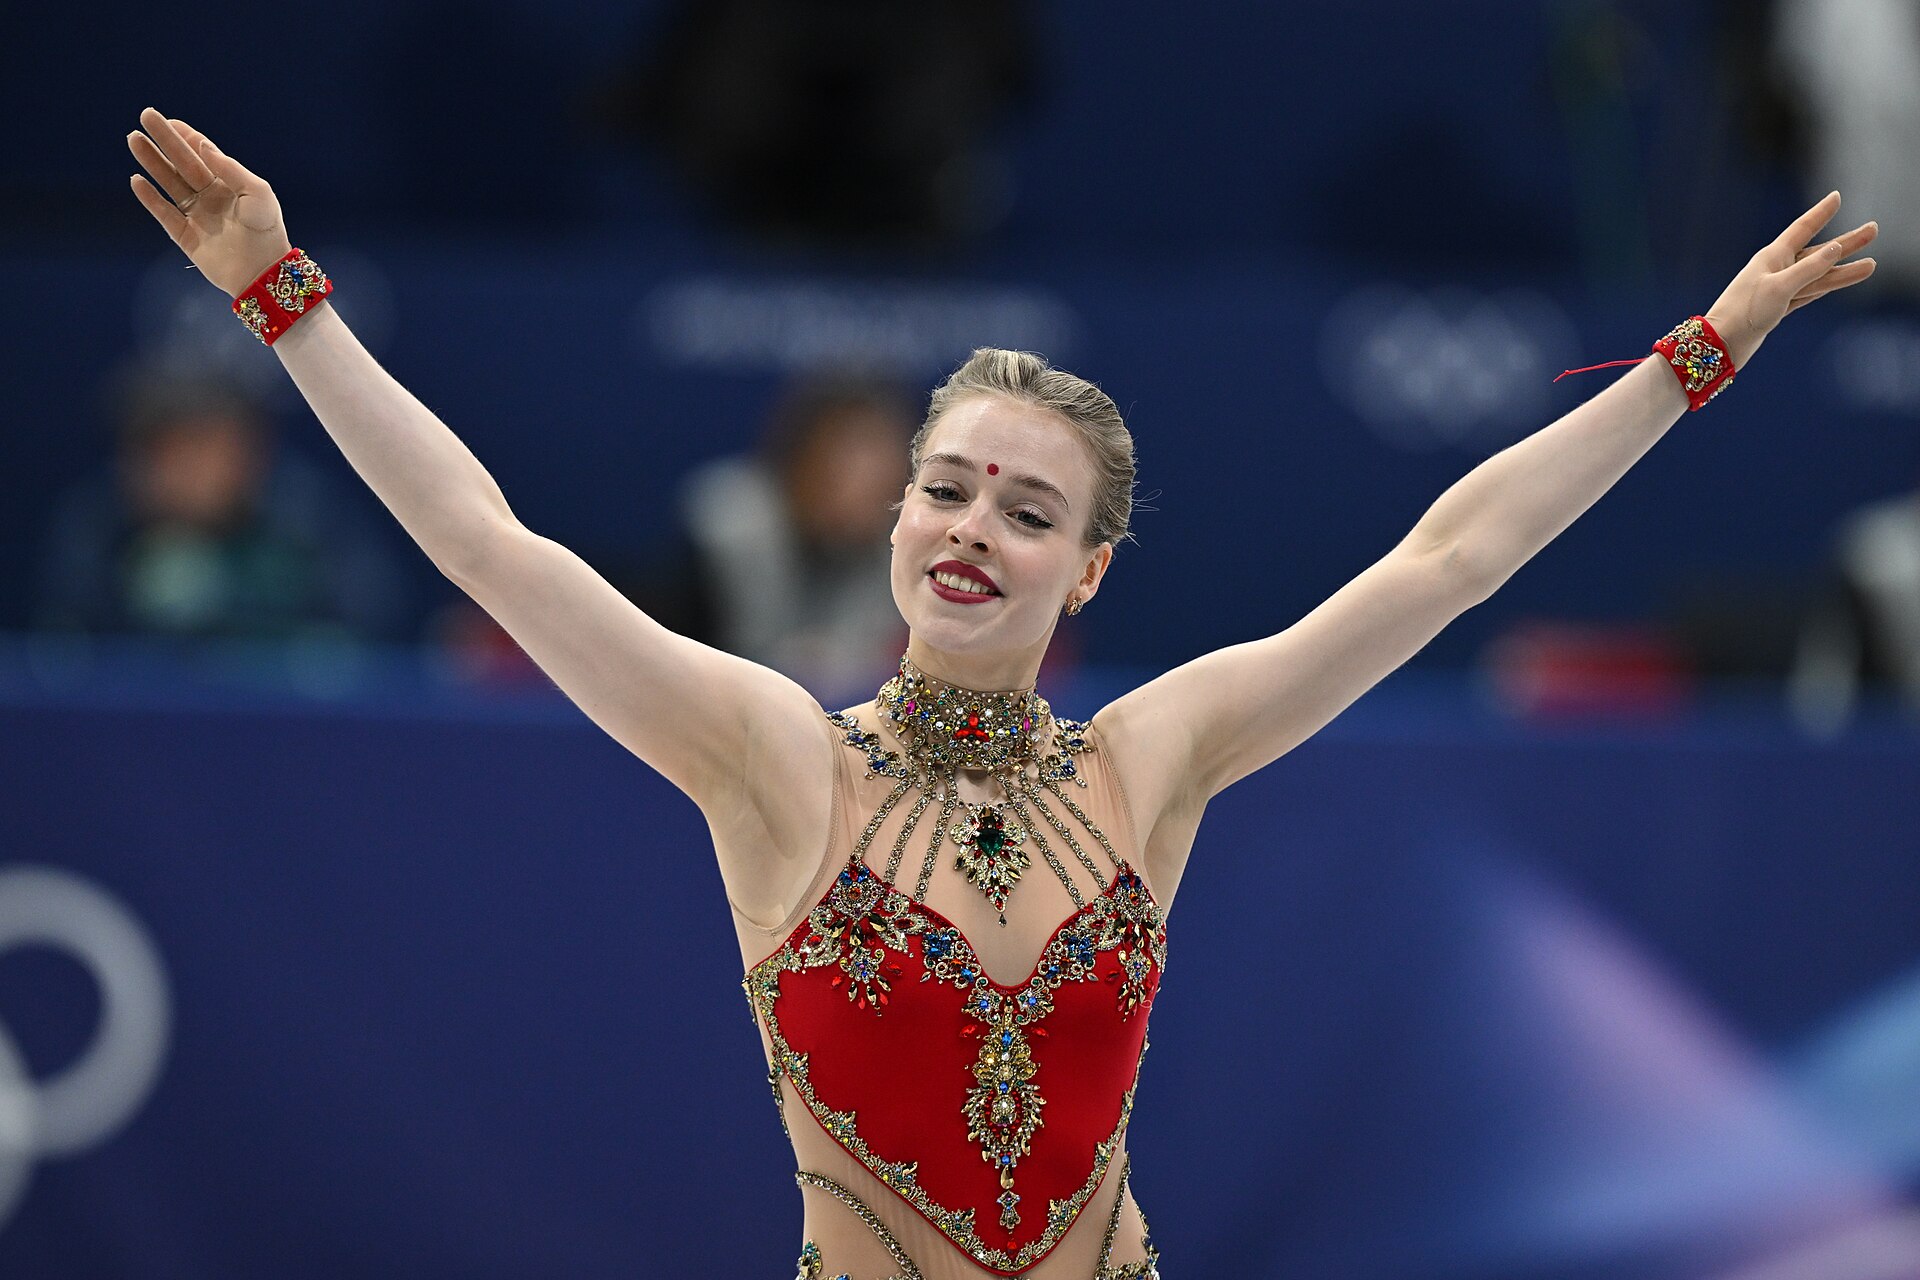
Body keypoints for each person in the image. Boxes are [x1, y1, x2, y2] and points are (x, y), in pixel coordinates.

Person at [124, 107, 1878, 1278]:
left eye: (1029, 512)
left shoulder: (1157, 761)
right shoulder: (763, 760)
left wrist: (1692, 355)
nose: (975, 531)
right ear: (895, 514)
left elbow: (1448, 562)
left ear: (1088, 569)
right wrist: (284, 302)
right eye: (947, 489)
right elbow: (486, 543)